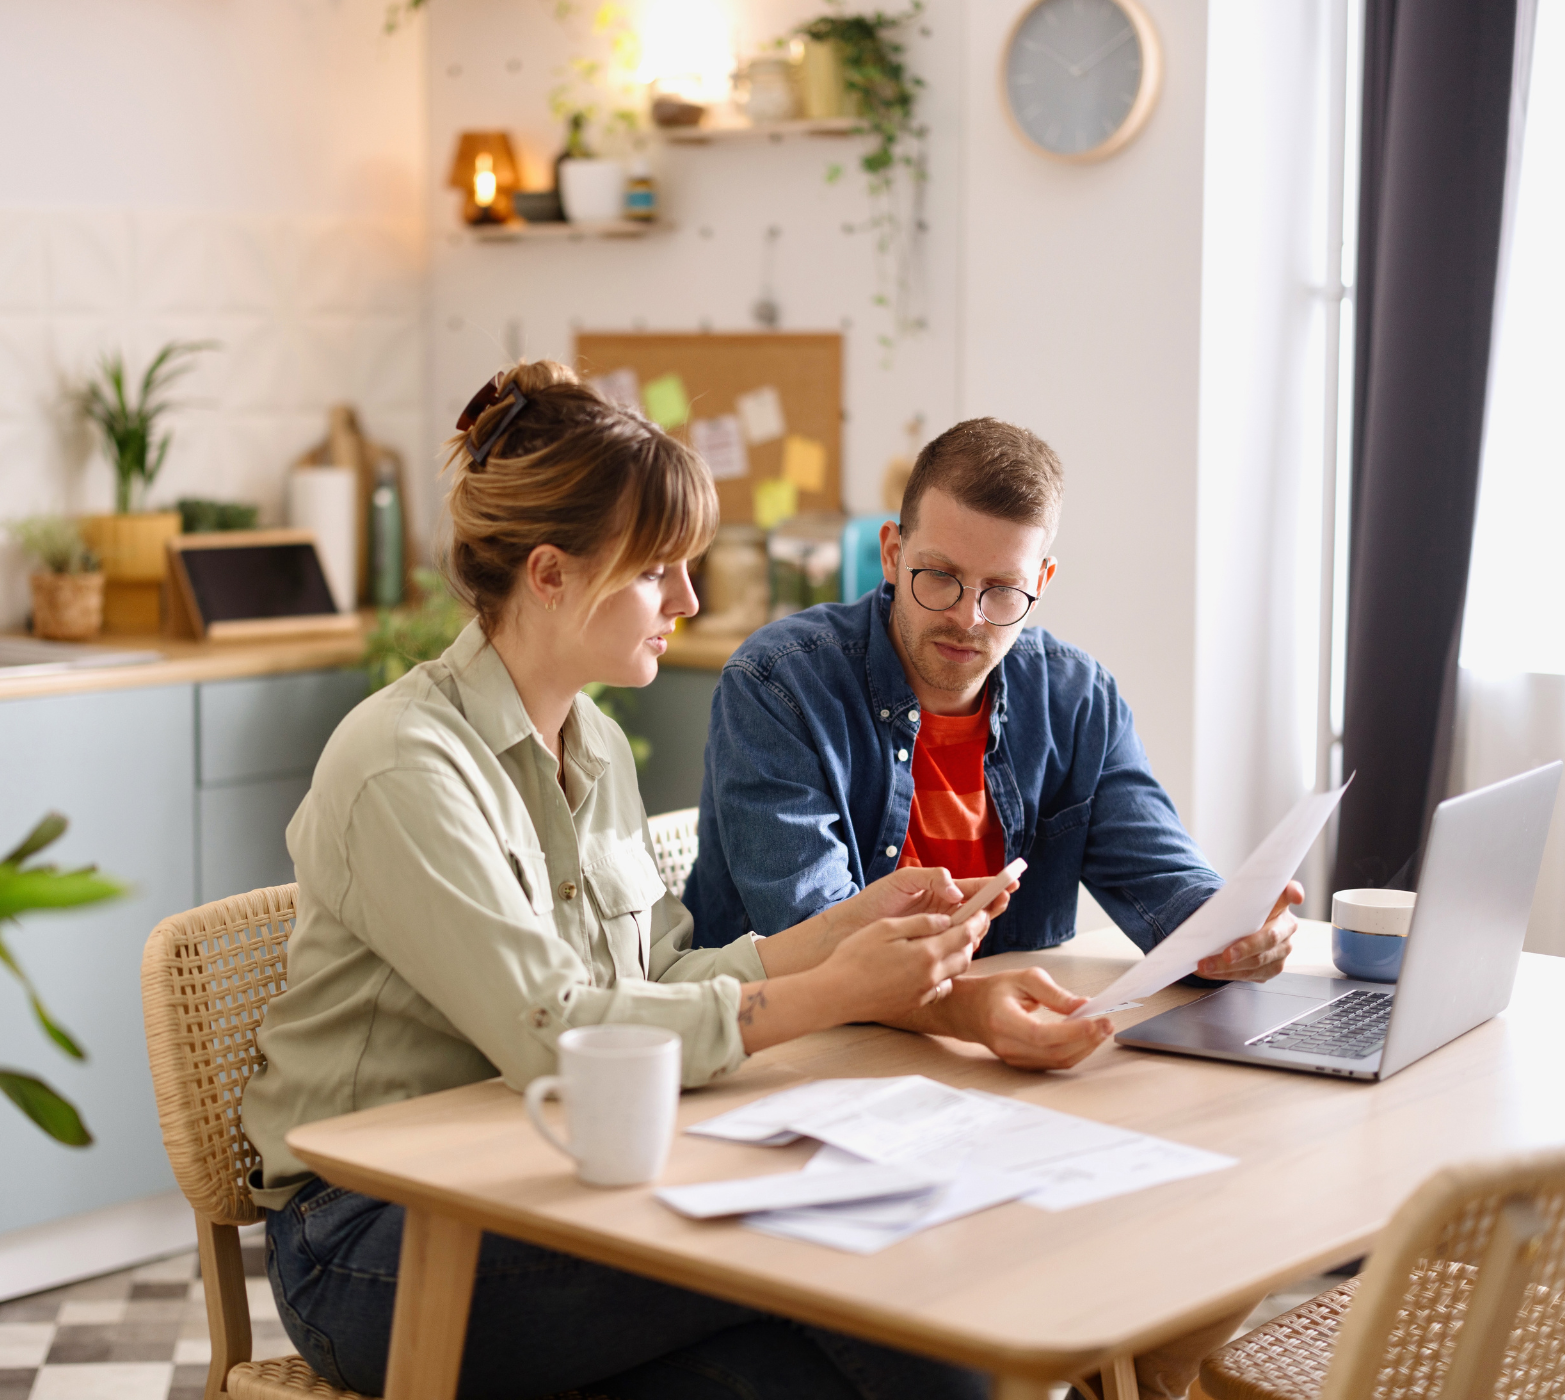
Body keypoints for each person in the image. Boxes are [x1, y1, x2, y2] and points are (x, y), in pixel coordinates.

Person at [241, 362, 1015, 1400]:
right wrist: (834, 993)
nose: (687, 602)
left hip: (554, 1173)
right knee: (848, 1273)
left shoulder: (593, 739)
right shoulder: (401, 763)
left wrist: (840, 929)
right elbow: (551, 1032)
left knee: (834, 1356)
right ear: (551, 574)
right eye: (660, 571)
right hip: (376, 1236)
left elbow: (654, 969)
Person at [685, 416, 1304, 1080]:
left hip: (988, 1062)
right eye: (940, 577)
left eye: (1002, 589)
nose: (967, 617)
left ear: (1043, 578)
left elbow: (1165, 879)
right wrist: (966, 1010)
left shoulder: (1076, 698)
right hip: (784, 1062)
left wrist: (1230, 932)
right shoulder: (780, 684)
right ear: (892, 553)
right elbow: (820, 941)